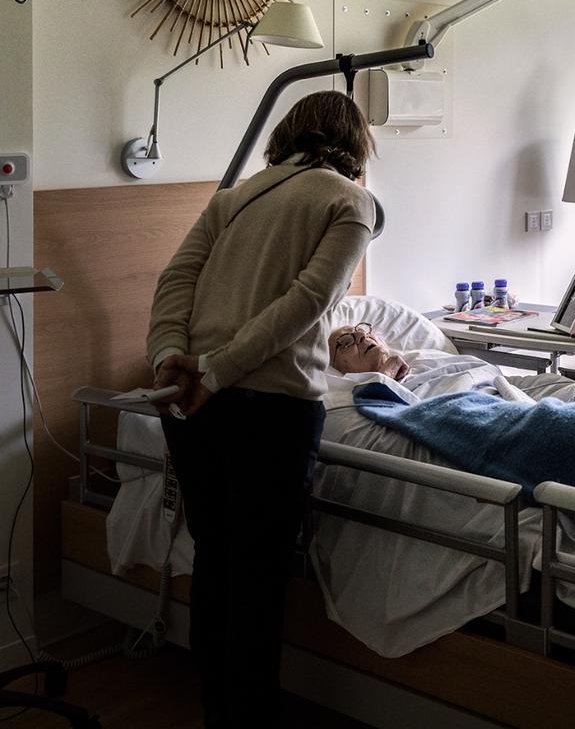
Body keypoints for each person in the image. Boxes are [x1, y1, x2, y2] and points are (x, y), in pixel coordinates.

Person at [146, 90, 377, 727]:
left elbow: (175, 281)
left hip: (193, 407)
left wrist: (170, 357)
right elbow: (307, 303)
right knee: (258, 582)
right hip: (270, 410)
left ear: (288, 133)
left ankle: (218, 709)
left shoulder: (233, 197)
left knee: (217, 566)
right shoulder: (350, 201)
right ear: (355, 144)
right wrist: (214, 373)